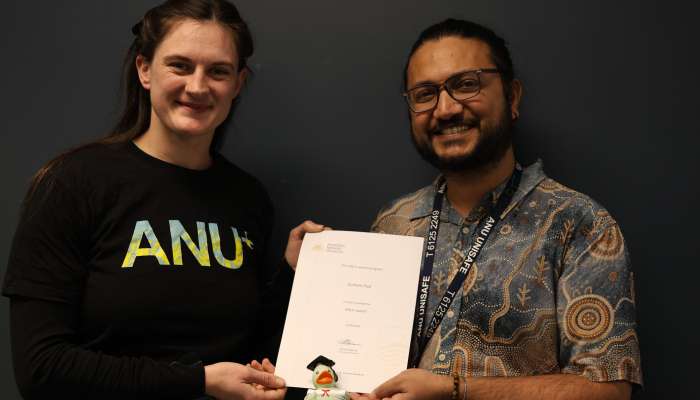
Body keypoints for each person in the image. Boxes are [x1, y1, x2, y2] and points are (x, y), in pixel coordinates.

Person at [1, 1, 323, 399]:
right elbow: (41, 368)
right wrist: (198, 381)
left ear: (238, 84)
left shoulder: (247, 199)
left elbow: (246, 350)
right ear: (144, 70)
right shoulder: (72, 182)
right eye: (180, 65)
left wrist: (292, 274)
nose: (198, 86)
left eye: (218, 71)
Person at [361, 19, 642, 400]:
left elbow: (608, 391)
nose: (444, 109)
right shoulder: (392, 222)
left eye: (466, 85)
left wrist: (455, 391)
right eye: (425, 94)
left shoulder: (578, 223)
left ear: (512, 97)